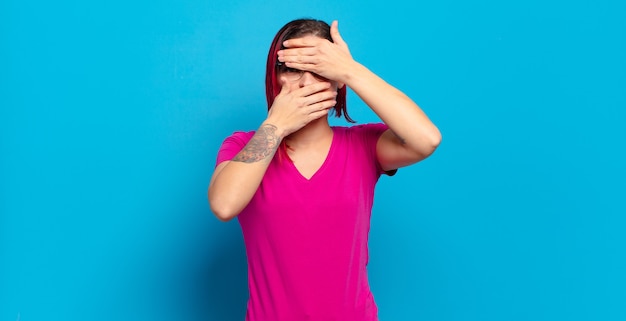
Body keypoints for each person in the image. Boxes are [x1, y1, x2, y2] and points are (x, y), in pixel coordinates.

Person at [208, 18, 441, 321]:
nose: (305, 83)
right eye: (292, 69)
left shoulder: (364, 146)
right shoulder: (244, 146)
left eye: (318, 68)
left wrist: (350, 70)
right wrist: (276, 124)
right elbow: (224, 204)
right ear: (275, 77)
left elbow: (427, 139)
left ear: (336, 79)